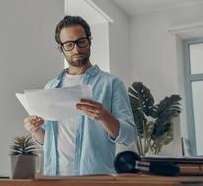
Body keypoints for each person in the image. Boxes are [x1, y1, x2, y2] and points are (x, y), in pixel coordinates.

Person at [23, 15, 137, 176]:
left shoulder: (111, 83)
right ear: (61, 48)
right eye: (69, 45)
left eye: (81, 42)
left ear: (89, 41)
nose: (76, 49)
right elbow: (48, 141)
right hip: (53, 178)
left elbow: (129, 136)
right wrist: (35, 130)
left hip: (94, 180)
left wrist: (104, 116)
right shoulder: (51, 87)